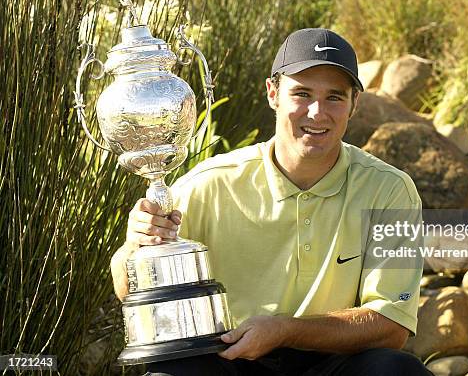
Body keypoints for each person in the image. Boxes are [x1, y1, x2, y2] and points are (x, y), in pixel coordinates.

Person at [111, 28, 431, 376]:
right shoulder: (209, 184)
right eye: (302, 93)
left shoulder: (390, 189)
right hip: (231, 359)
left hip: (332, 360)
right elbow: (131, 290)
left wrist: (284, 330)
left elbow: (390, 326)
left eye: (334, 97)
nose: (317, 112)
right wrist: (135, 246)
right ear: (273, 93)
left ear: (355, 104)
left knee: (396, 370)